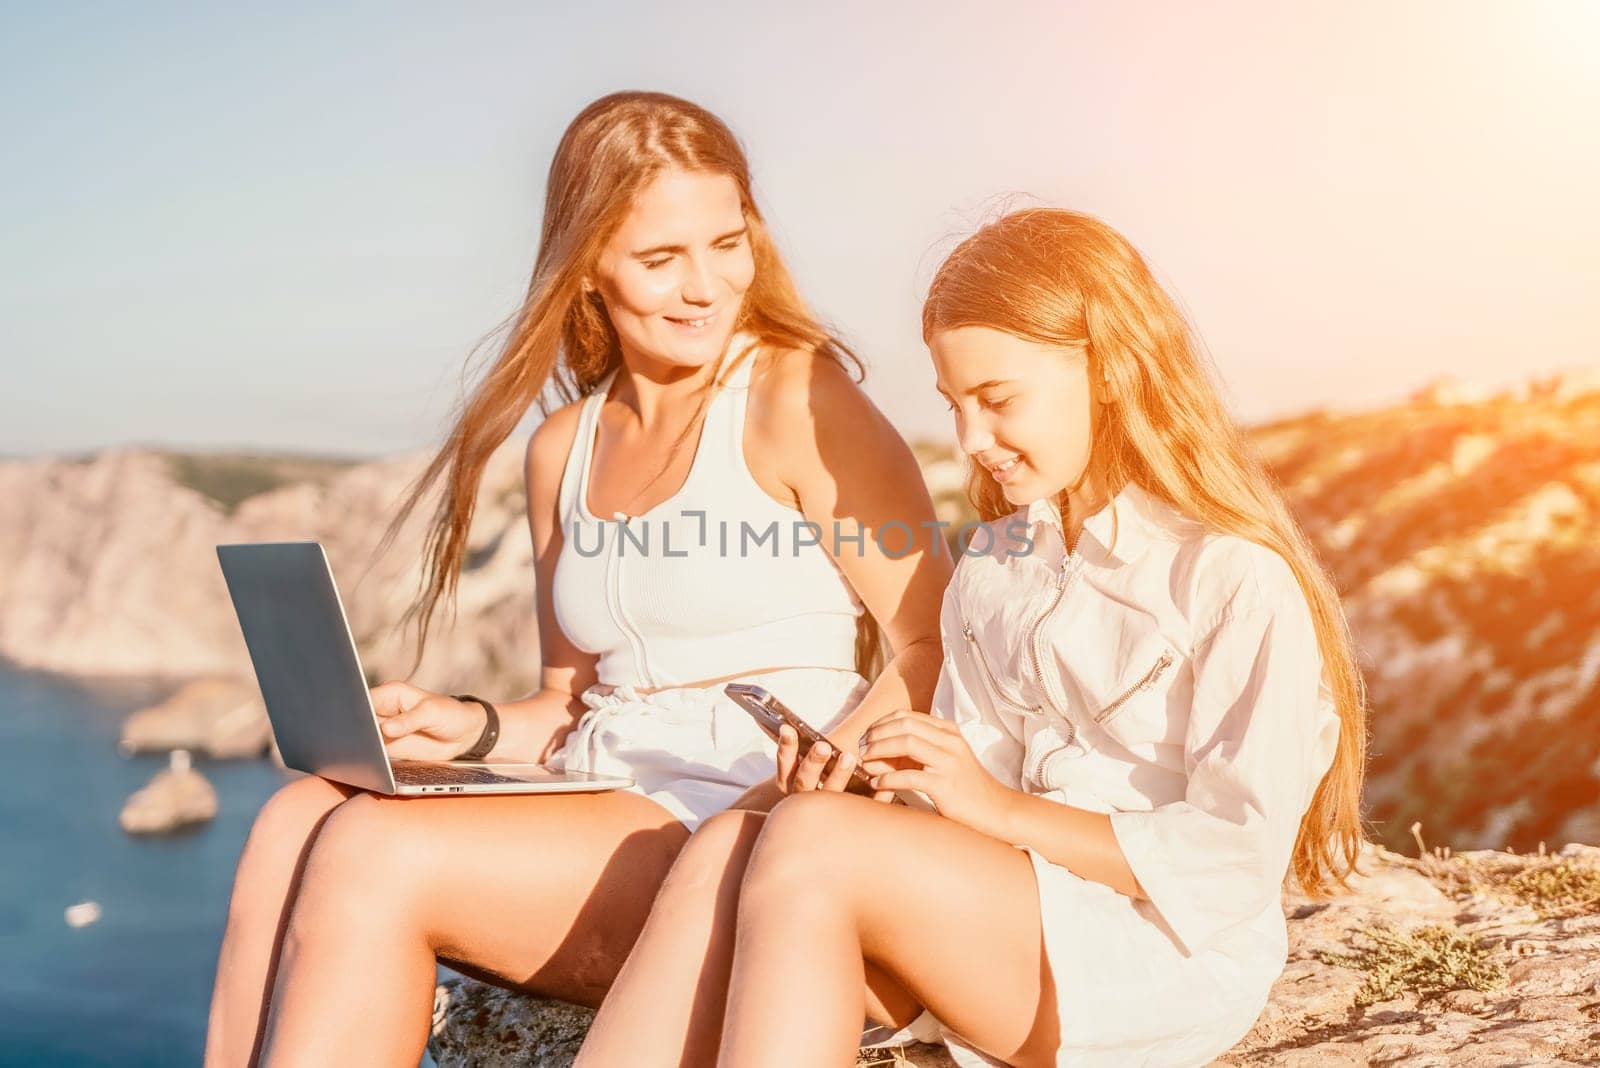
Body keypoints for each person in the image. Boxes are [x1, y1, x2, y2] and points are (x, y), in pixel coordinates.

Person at [202, 90, 951, 1067]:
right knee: (296, 816)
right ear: (586, 266)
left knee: (369, 852)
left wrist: (839, 760)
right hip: (607, 803)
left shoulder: (797, 398)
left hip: (733, 826)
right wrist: (465, 726)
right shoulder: (564, 446)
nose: (705, 287)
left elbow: (932, 638)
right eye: (659, 259)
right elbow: (575, 705)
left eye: (727, 243)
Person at [587, 207, 1368, 1068]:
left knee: (807, 841)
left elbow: (1228, 858)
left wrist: (990, 808)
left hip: (1156, 955)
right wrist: (879, 787)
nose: (971, 440)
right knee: (734, 840)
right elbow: (969, 794)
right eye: (954, 405)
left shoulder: (1228, 578)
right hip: (1001, 915)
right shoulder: (994, 569)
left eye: (997, 401)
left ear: (1110, 370)